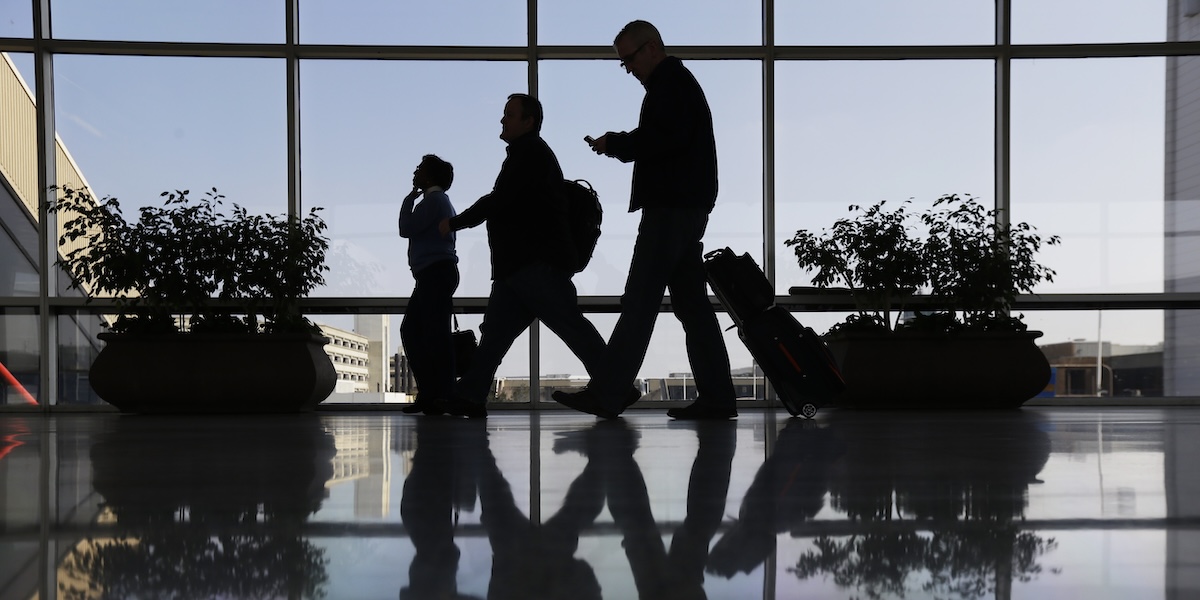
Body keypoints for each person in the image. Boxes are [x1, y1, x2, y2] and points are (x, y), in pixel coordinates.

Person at [554, 20, 738, 420]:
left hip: (671, 210)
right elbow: (668, 139)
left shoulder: (671, 85)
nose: (628, 69)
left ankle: (608, 391)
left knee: (640, 299)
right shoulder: (677, 84)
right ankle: (719, 396)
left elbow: (661, 139)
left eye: (629, 59)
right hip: (687, 209)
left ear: (651, 47)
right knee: (692, 307)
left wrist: (617, 143)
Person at [438, 93, 619, 418]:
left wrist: (455, 222)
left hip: (534, 265)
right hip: (518, 268)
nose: (502, 120)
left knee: (569, 326)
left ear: (528, 121)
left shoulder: (530, 154)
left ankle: (615, 387)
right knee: (495, 336)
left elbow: (498, 201)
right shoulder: (529, 155)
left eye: (509, 114)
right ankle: (471, 397)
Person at [398, 154, 459, 415]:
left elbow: (405, 227)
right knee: (430, 333)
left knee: (419, 332)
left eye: (420, 169)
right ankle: (434, 394)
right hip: (435, 274)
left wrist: (408, 200)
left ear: (430, 176)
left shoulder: (432, 201)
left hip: (434, 274)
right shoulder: (437, 201)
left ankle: (437, 394)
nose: (415, 172)